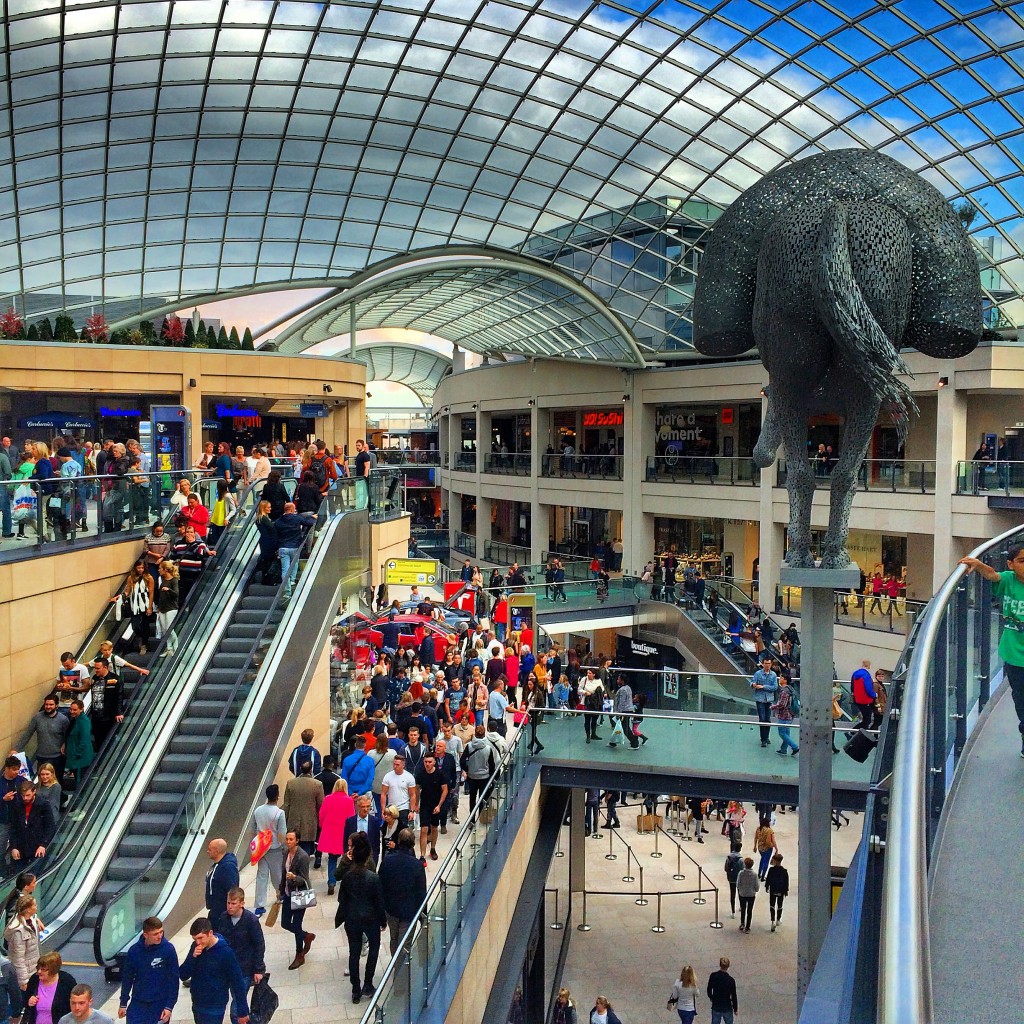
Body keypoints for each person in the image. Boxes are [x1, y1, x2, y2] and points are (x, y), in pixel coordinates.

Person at [960, 545, 1024, 755]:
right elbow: (992, 575)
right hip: (1014, 655)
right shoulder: (1009, 579)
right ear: (1011, 564)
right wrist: (977, 565)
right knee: (1021, 700)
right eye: (1022, 561)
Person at [336, 831, 385, 1004]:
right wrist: (383, 920)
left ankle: (355, 988)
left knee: (354, 952)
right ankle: (368, 983)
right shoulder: (373, 877)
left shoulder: (348, 876)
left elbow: (342, 896)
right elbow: (378, 900)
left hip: (352, 918)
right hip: (370, 918)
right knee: (373, 949)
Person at [178, 918, 250, 1024]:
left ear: (210, 933)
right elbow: (183, 975)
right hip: (197, 1002)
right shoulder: (196, 947)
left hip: (215, 1006)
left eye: (200, 938)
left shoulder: (226, 953)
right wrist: (193, 957)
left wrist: (242, 1011)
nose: (198, 942)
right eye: (195, 939)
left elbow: (237, 982)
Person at [214, 889, 264, 1024]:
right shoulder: (223, 918)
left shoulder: (250, 920)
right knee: (237, 999)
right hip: (228, 969)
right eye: (228, 903)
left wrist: (259, 969)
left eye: (233, 903)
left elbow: (259, 944)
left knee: (236, 1005)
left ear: (242, 903)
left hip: (244, 969)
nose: (230, 906)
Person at [117, 916, 180, 1024]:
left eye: (161, 932)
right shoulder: (134, 951)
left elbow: (174, 980)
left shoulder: (168, 950)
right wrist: (123, 1003)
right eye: (155, 934)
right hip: (138, 1002)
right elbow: (127, 978)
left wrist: (169, 1006)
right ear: (145, 935)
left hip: (159, 1003)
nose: (160, 936)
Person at [377, 829, 426, 955]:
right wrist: (423, 914)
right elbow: (421, 892)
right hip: (409, 911)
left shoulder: (387, 860)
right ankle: (401, 971)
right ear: (413, 843)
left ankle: (396, 965)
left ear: (398, 841)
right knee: (405, 944)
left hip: (391, 909)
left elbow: (380, 885)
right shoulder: (417, 865)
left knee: (394, 939)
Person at [277, 831, 315, 971]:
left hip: (299, 894)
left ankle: (299, 954)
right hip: (288, 893)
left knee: (297, 924)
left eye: (291, 839)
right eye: (287, 839)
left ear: (297, 840)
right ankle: (306, 936)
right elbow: (283, 873)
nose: (288, 841)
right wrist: (281, 889)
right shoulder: (286, 853)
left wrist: (294, 877)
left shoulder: (303, 856)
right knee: (285, 923)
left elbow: (304, 879)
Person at [250, 785, 286, 918]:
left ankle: (259, 905)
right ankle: (280, 894)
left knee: (261, 876)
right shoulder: (279, 813)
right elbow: (282, 833)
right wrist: (284, 847)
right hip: (275, 847)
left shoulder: (258, 810)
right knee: (277, 874)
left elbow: (253, 829)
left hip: (261, 848)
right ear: (277, 796)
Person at [318, 780, 355, 895]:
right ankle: (346, 881)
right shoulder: (349, 801)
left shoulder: (328, 798)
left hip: (331, 832)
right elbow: (351, 818)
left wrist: (322, 826)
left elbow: (321, 814)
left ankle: (331, 882)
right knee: (347, 858)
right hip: (344, 832)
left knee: (332, 858)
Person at [273, 502, 316, 599]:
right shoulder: (297, 518)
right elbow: (309, 523)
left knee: (285, 570)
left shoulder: (279, 521)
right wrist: (313, 517)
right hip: (295, 546)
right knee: (295, 562)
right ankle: (292, 580)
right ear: (292, 509)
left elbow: (275, 534)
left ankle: (287, 592)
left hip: (283, 547)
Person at [24, 694, 70, 783]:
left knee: (56, 782)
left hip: (57, 757)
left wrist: (65, 743)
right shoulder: (37, 718)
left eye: (51, 704)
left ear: (56, 705)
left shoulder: (63, 720)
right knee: (42, 783)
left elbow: (68, 737)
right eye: (46, 704)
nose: (48, 707)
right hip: (41, 756)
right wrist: (16, 749)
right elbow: (27, 734)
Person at [412, 753, 448, 863]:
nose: (427, 764)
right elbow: (417, 790)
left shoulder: (440, 774)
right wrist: (416, 804)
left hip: (435, 805)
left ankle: (433, 849)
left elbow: (445, 790)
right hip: (425, 805)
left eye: (429, 762)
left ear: (434, 762)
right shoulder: (420, 774)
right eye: (425, 762)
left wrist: (439, 805)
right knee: (423, 830)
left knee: (434, 828)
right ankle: (422, 855)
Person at [22, 952, 76, 1024]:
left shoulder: (67, 981)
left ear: (53, 970)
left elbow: (75, 1004)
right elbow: (25, 1000)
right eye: (38, 968)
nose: (39, 971)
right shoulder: (34, 979)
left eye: (43, 969)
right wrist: (29, 1001)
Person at [283, 761, 324, 856]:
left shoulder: (291, 783)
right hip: (309, 823)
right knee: (306, 853)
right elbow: (320, 806)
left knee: (292, 852)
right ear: (311, 770)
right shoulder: (317, 784)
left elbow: (286, 805)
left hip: (293, 822)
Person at [4, 895, 42, 990]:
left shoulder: (30, 920)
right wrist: (24, 981)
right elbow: (18, 959)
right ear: (28, 910)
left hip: (33, 969)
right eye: (34, 905)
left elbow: (34, 917)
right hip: (26, 975)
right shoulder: (19, 932)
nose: (36, 906)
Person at [9, 783, 54, 863]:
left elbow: (50, 826)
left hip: (37, 846)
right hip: (21, 847)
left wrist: (43, 845)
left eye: (28, 795)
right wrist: (13, 847)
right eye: (23, 795)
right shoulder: (17, 805)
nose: (25, 798)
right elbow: (13, 827)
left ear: (34, 791)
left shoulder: (43, 805)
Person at [204, 839, 239, 923]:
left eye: (210, 849)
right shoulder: (217, 865)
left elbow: (232, 890)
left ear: (217, 851)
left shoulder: (227, 867)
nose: (207, 851)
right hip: (216, 911)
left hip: (222, 913)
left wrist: (230, 910)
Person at [343, 794, 383, 865]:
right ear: (358, 807)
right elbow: (345, 840)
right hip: (353, 858)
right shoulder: (350, 821)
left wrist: (375, 859)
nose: (366, 809)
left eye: (368, 806)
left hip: (369, 859)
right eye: (363, 807)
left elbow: (376, 843)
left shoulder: (374, 821)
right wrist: (347, 855)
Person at [749, 655, 779, 748]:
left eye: (769, 663)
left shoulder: (773, 675)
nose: (767, 665)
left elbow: (775, 687)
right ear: (763, 664)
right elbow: (752, 682)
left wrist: (763, 687)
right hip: (760, 699)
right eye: (766, 663)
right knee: (762, 719)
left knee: (768, 719)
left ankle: (766, 736)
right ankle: (763, 739)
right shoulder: (758, 673)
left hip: (769, 699)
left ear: (771, 664)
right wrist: (753, 684)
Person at [379, 755, 415, 828]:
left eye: (397, 765)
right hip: (391, 808)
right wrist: (383, 809)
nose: (395, 766)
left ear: (403, 765)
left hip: (403, 807)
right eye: (394, 764)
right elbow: (383, 794)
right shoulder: (388, 776)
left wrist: (411, 811)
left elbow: (412, 795)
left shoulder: (409, 777)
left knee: (402, 830)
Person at [770, 676, 799, 757]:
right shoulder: (791, 689)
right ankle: (783, 750)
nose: (780, 679)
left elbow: (782, 704)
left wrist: (773, 707)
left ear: (785, 680)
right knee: (786, 732)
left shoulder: (784, 692)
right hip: (791, 714)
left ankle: (795, 747)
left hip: (784, 715)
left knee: (782, 733)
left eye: (782, 677)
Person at [850, 659, 880, 731]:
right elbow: (868, 689)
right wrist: (874, 695)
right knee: (867, 720)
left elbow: (852, 686)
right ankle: (854, 733)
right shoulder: (866, 675)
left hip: (857, 699)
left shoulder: (855, 673)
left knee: (865, 718)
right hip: (865, 700)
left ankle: (853, 732)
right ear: (868, 666)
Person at [706, 957, 738, 1024]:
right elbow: (734, 995)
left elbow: (709, 989)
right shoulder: (731, 980)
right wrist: (735, 1009)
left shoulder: (713, 976)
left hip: (716, 1005)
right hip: (727, 1006)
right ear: (728, 966)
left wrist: (711, 997)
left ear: (720, 965)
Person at [736, 856, 759, 933]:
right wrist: (755, 890)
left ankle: (742, 923)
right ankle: (748, 927)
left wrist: (740, 889)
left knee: (743, 909)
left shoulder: (741, 873)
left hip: (742, 894)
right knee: (750, 911)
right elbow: (757, 886)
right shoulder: (755, 875)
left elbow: (738, 884)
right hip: (751, 894)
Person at [724, 842, 744, 917]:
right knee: (740, 893)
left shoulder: (729, 857)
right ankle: (741, 907)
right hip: (738, 878)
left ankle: (733, 911)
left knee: (732, 894)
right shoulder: (741, 859)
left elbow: (725, 868)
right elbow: (743, 870)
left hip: (731, 878)